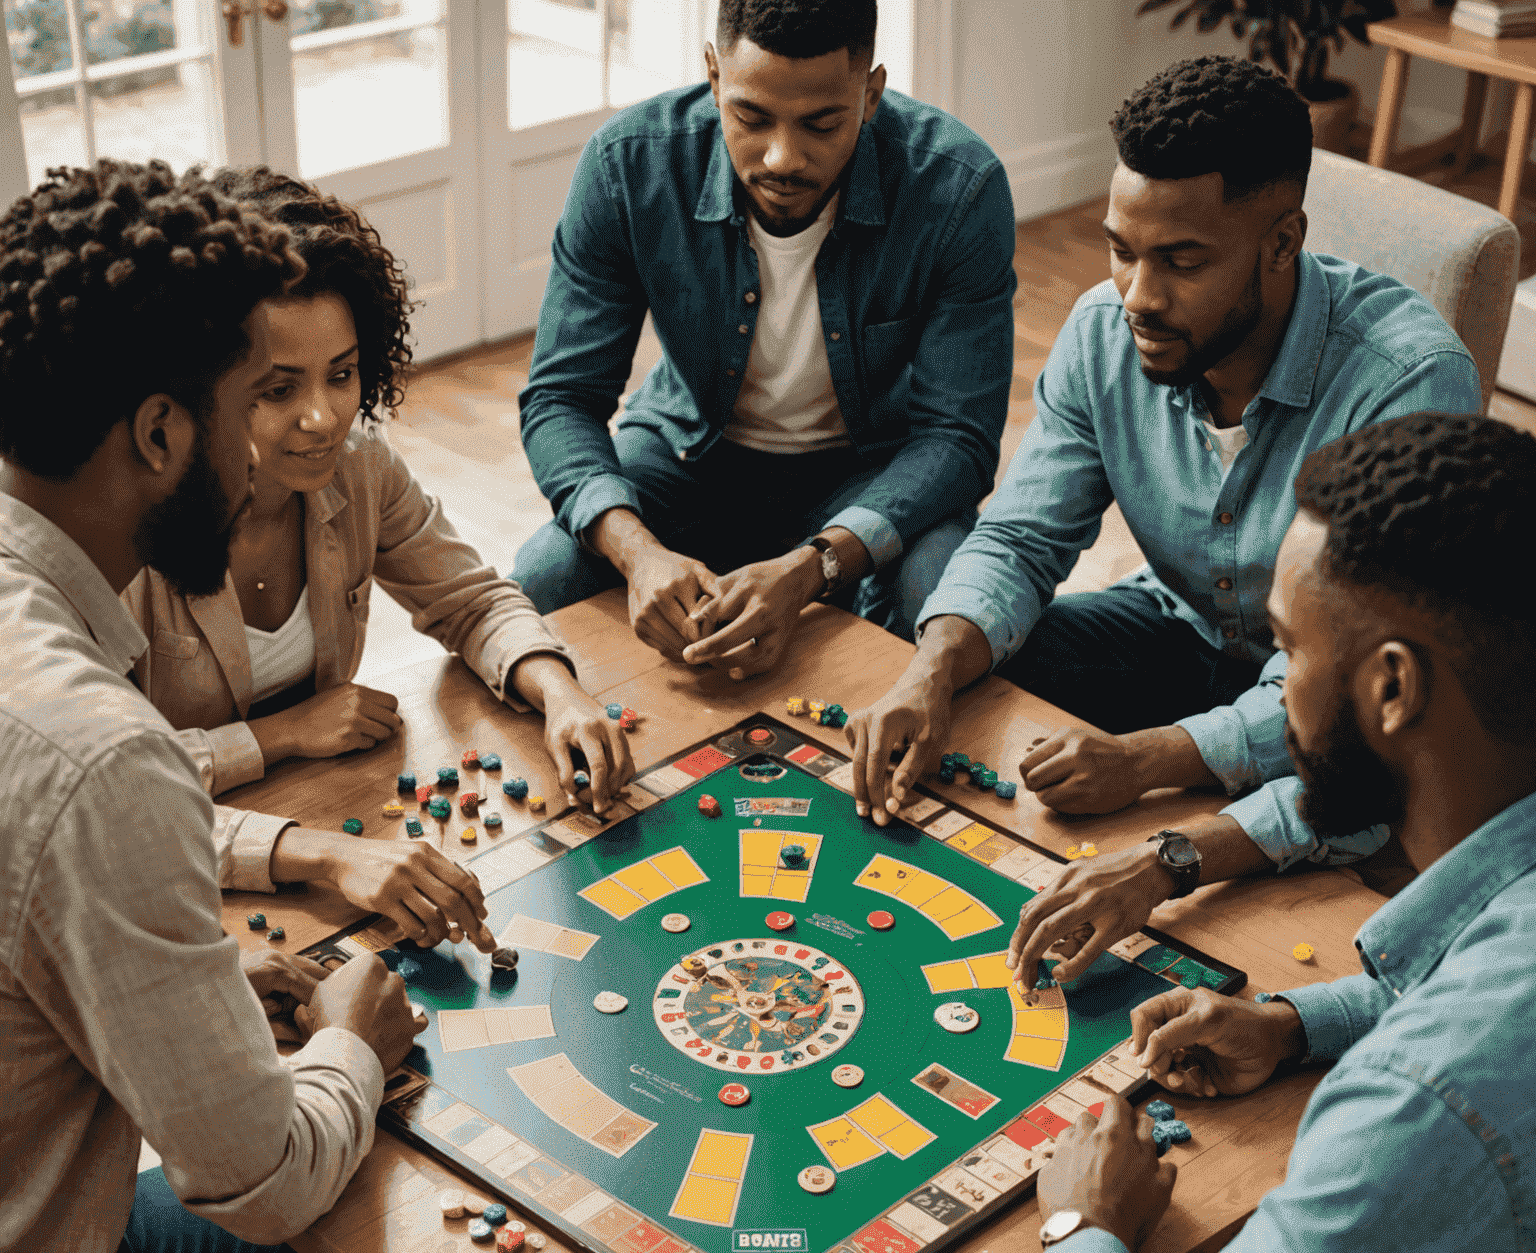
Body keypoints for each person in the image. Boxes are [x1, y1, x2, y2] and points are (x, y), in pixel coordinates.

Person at [849, 411, 1536, 1253]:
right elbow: (1487, 999)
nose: (1279, 685)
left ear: (1395, 691)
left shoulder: (1432, 1101)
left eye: (1290, 651)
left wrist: (1087, 1229)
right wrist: (1291, 1020)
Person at [0, 161, 545, 1253]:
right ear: (166, 431)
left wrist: (181, 1000)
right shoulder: (100, 754)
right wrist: (355, 1030)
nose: (281, 445)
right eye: (256, 401)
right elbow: (261, 1181)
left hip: (40, 1215)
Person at [844, 55, 1482, 989]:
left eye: (1182, 260)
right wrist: (930, 669)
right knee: (940, 644)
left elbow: (1356, 702)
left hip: (1330, 694)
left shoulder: (1409, 381)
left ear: (1282, 241)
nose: (1137, 296)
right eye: (1121, 249)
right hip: (1178, 626)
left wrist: (1149, 761)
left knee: (1361, 782)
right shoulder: (1106, 329)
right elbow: (1021, 538)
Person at [118, 168, 633, 943]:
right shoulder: (123, 527)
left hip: (321, 808)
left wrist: (562, 693)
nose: (323, 417)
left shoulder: (358, 465)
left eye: (343, 373)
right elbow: (104, 794)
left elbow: (472, 599)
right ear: (199, 387)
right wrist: (280, 736)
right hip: (169, 873)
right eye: (276, 388)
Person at [511, 0, 1017, 675]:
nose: (783, 157)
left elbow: (960, 439)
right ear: (715, 77)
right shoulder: (628, 165)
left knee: (945, 598)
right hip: (687, 451)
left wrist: (815, 567)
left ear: (870, 94)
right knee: (544, 577)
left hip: (871, 469)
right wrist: (638, 552)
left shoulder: (958, 188)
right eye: (751, 118)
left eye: (821, 123)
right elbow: (561, 398)